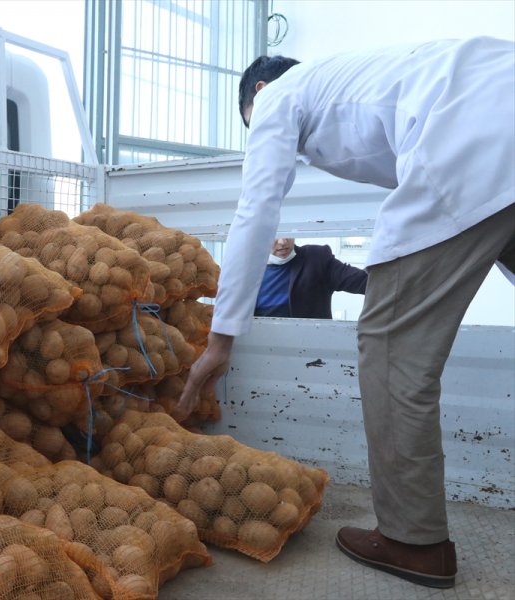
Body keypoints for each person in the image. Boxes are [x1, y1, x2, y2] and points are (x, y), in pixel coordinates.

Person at [177, 37, 515, 589]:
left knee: (390, 345)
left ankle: (413, 540)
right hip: (496, 95)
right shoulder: (357, 75)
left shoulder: (278, 97)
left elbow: (256, 209)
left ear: (258, 91)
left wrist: (222, 336)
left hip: (469, 138)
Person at [255, 237, 367, 318]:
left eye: (287, 233)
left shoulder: (316, 258)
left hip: (310, 346)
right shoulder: (248, 269)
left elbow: (363, 282)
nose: (283, 242)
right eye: (275, 234)